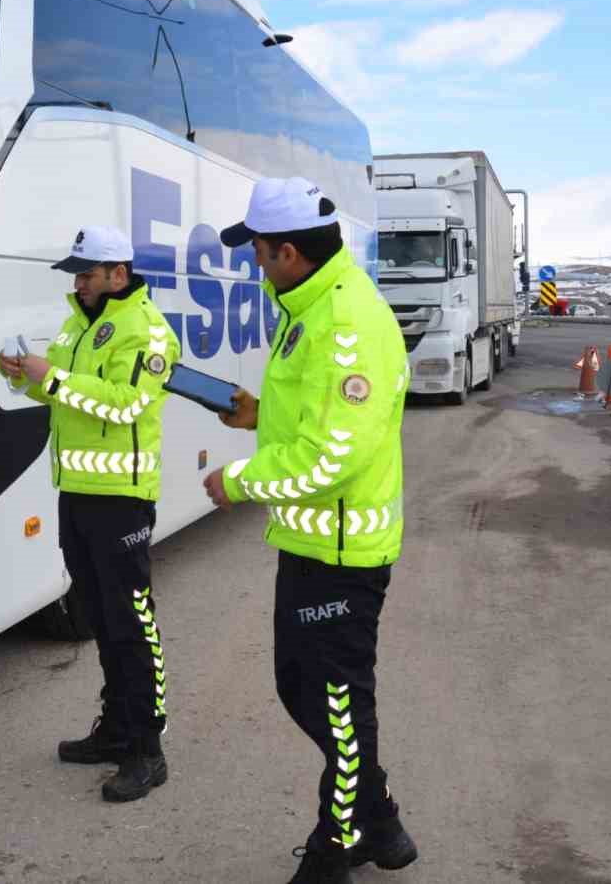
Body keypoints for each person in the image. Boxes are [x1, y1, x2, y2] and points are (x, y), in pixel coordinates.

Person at [202, 178, 417, 883]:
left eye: (259, 253)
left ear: (289, 252)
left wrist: (238, 481)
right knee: (303, 687)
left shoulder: (347, 323)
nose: (255, 265)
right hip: (309, 543)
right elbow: (313, 421)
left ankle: (337, 844)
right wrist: (257, 415)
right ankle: (378, 816)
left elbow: (331, 457)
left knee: (337, 700)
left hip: (342, 550)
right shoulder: (309, 306)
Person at [0, 225, 181, 802]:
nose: (77, 282)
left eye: (87, 273)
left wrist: (47, 375)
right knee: (99, 618)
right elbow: (64, 394)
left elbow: (124, 404)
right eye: (76, 273)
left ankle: (148, 749)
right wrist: (22, 375)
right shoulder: (80, 322)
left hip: (121, 498)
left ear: (117, 275)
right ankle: (116, 729)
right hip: (76, 492)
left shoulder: (148, 331)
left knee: (132, 623)